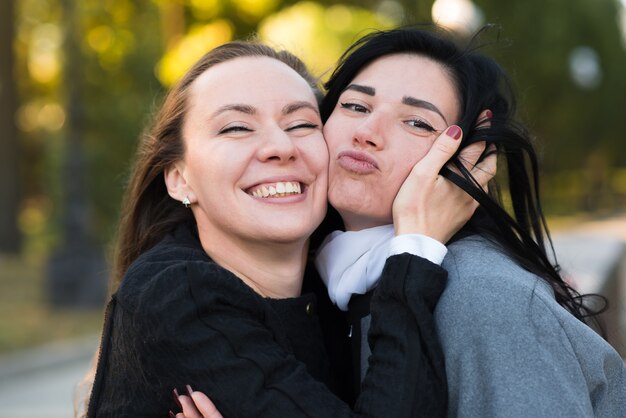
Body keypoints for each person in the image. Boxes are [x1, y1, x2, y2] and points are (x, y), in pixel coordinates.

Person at [179, 26, 626, 418]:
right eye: (355, 107)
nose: (368, 132)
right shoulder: (330, 287)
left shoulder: (484, 297)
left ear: (468, 156)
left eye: (416, 122)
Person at [84, 40, 494, 417]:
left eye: (301, 124)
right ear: (178, 177)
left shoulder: (335, 284)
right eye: (236, 128)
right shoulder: (175, 294)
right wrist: (416, 247)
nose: (281, 147)